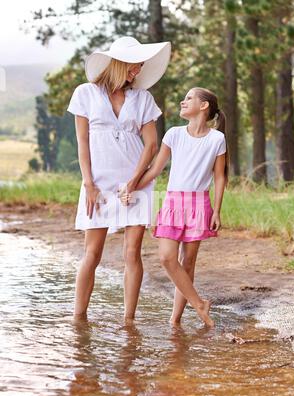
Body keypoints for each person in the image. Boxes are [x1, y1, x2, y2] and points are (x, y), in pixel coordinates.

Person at [67, 36, 171, 323]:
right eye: (133, 66)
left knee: (132, 252)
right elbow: (82, 142)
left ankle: (128, 320)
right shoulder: (85, 93)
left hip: (135, 179)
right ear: (117, 63)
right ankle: (78, 319)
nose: (137, 72)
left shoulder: (143, 98)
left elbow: (151, 144)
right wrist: (88, 183)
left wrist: (135, 181)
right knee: (92, 251)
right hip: (98, 181)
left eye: (139, 67)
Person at [120, 87, 229, 328]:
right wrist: (132, 186)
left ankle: (175, 320)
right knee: (167, 258)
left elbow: (219, 177)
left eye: (189, 98)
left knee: (188, 262)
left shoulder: (217, 139)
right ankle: (200, 304)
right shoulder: (173, 134)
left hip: (199, 204)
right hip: (171, 201)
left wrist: (218, 210)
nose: (183, 101)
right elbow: (156, 169)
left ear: (204, 106)